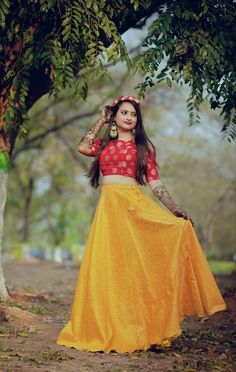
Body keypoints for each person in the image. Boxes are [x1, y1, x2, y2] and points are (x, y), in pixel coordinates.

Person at [57, 95, 227, 354]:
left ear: (137, 120)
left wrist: (175, 208)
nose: (129, 117)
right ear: (115, 116)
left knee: (134, 271)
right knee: (109, 268)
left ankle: (142, 326)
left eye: (133, 114)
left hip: (133, 209)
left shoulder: (143, 149)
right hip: (108, 212)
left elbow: (155, 183)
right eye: (124, 112)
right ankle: (105, 325)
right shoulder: (103, 145)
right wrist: (102, 119)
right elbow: (83, 146)